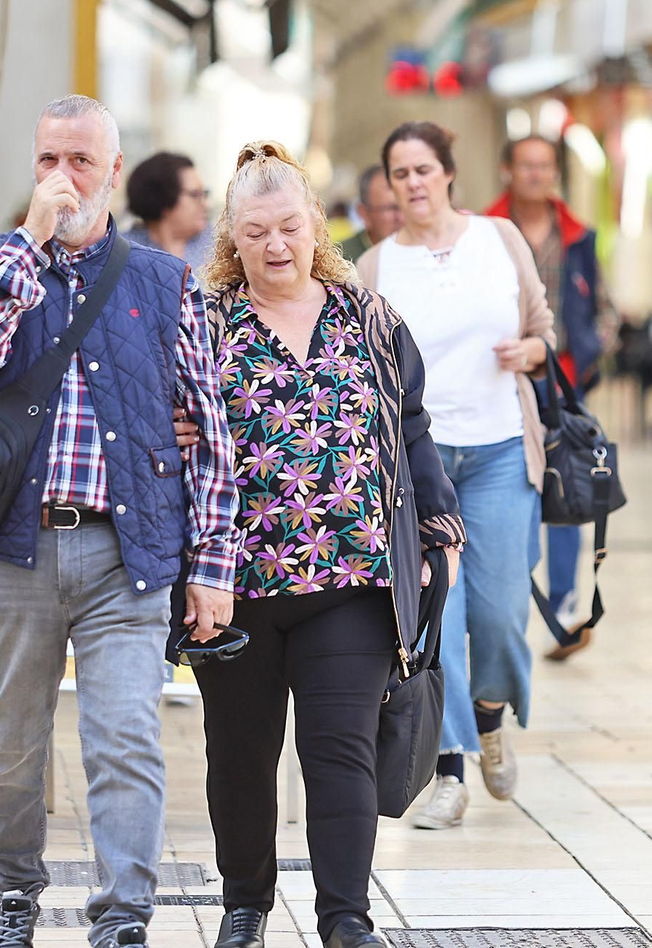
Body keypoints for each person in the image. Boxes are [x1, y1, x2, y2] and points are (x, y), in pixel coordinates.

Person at [0, 95, 243, 948]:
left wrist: (212, 561)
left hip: (123, 552)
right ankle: (15, 894)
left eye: (79, 162)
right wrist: (30, 238)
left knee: (126, 740)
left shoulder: (163, 280)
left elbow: (208, 428)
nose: (62, 178)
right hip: (11, 551)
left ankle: (123, 917)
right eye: (47, 160)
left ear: (111, 172)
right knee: (8, 747)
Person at [175, 141, 465, 948]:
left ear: (316, 228)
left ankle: (346, 919)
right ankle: (246, 905)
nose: (276, 245)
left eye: (291, 227)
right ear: (233, 236)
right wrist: (171, 431)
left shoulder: (367, 317)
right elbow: (160, 427)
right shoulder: (203, 322)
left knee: (341, 751)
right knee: (240, 753)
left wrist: (439, 533)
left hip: (354, 579)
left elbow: (411, 426)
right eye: (258, 230)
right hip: (232, 583)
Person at [356, 121, 555, 830]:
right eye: (398, 172)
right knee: (442, 614)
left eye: (422, 169)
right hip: (422, 468)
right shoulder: (376, 267)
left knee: (500, 614)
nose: (411, 182)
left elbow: (544, 329)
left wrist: (531, 347)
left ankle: (491, 715)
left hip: (502, 449)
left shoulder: (500, 240)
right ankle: (449, 768)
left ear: (447, 173)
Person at [483, 135, 606, 660]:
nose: (537, 174)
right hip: (499, 375)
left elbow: (597, 302)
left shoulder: (577, 235)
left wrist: (595, 347)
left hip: (562, 377)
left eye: (546, 165)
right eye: (526, 164)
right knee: (513, 486)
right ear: (507, 168)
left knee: (566, 484)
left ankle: (564, 603)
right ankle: (508, 600)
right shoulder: (483, 230)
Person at [122, 151, 213, 270]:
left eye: (204, 194)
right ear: (163, 198)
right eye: (195, 195)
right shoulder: (123, 252)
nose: (206, 205)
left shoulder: (218, 246)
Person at [337, 164, 401, 262]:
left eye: (405, 207)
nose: (401, 217)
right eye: (391, 209)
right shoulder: (339, 261)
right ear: (364, 213)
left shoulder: (423, 251)